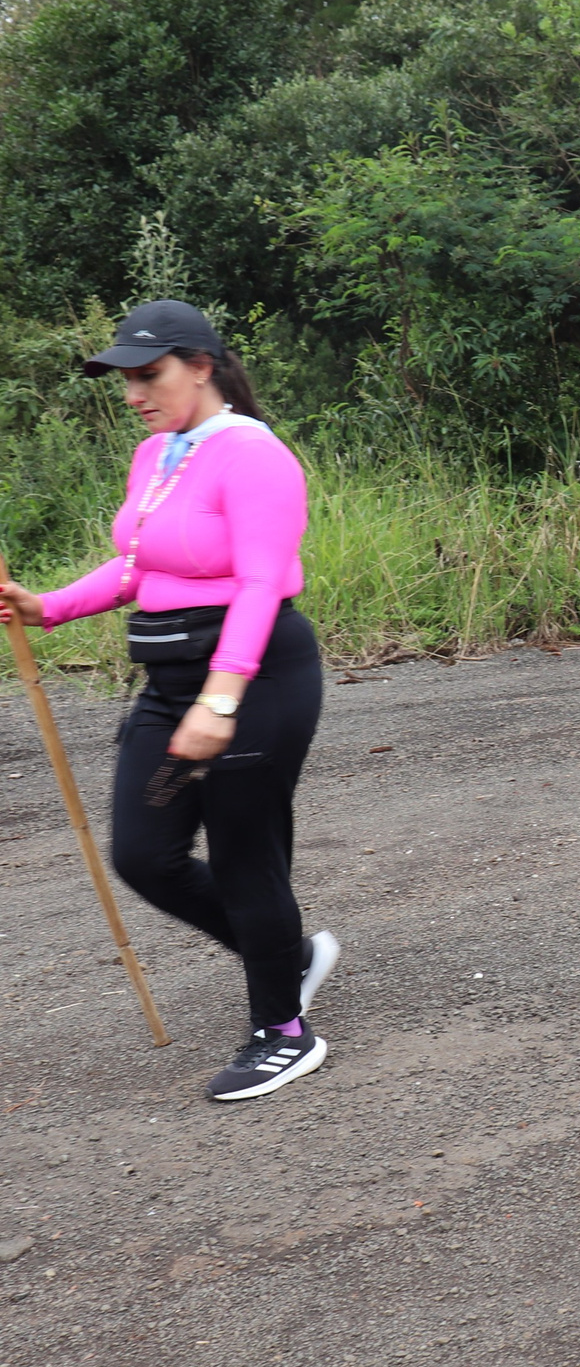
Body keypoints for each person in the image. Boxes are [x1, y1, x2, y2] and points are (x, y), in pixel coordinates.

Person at [0, 302, 337, 1100]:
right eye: (126, 380)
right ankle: (286, 955)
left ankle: (283, 1032)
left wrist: (220, 702)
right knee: (144, 852)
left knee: (244, 855)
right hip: (172, 687)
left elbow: (258, 581)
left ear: (202, 365)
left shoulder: (255, 458)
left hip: (254, 682)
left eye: (149, 375)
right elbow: (139, 567)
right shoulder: (158, 454)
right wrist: (46, 604)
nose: (134, 394)